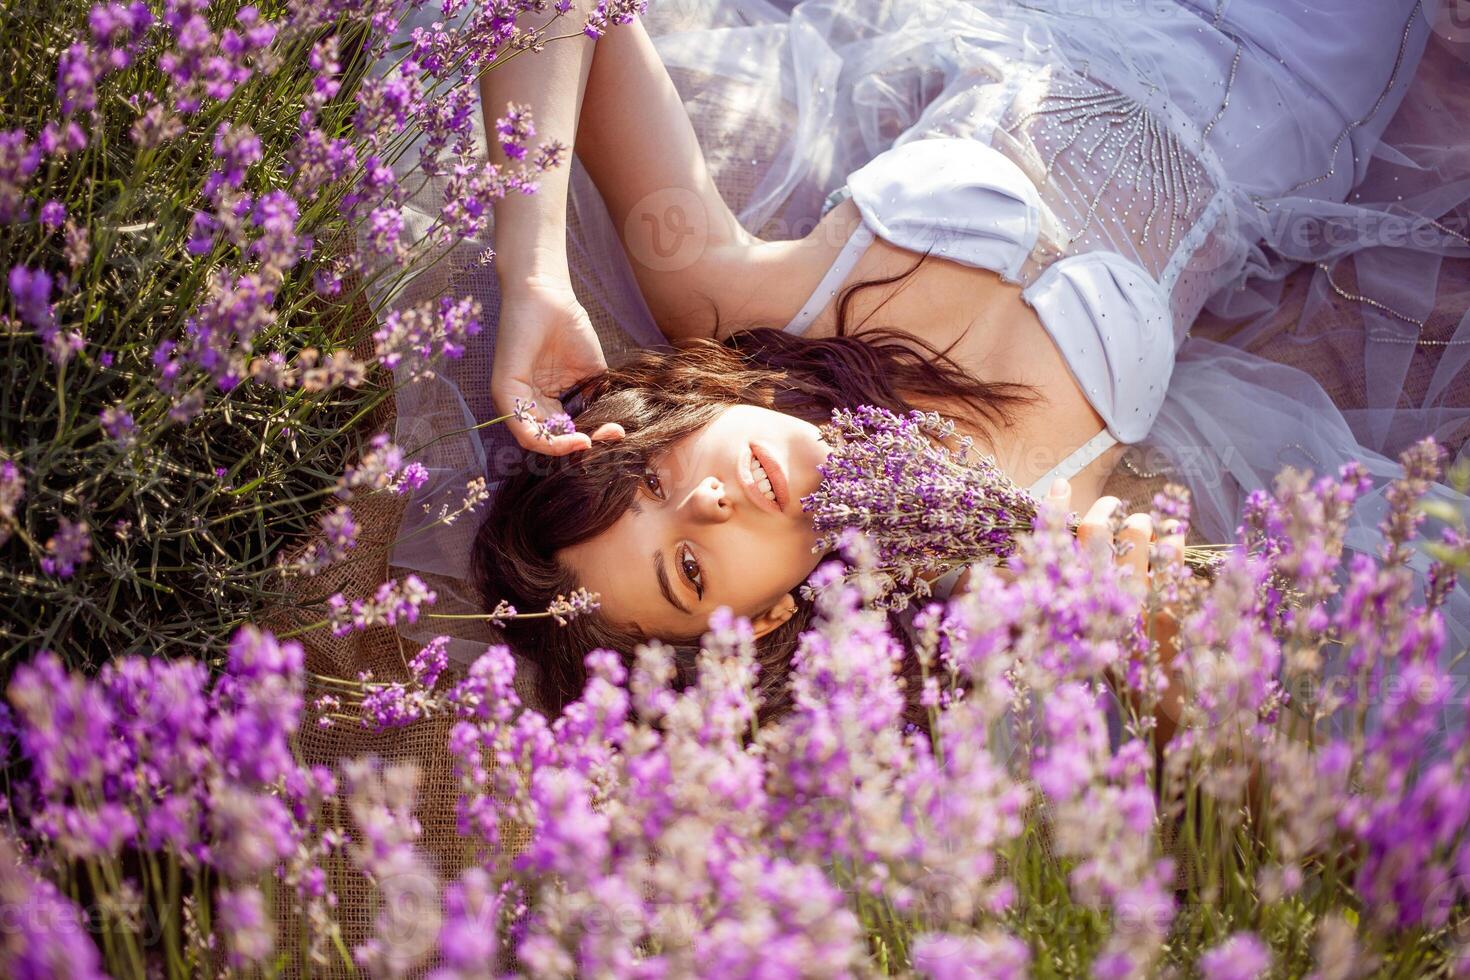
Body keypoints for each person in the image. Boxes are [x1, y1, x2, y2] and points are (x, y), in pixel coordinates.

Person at [386, 0, 1470, 718]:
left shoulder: (725, 291)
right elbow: (1311, 666)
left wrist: (533, 271)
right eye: (688, 566)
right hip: (1307, 65)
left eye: (655, 477)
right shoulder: (1013, 545)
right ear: (759, 620)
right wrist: (1152, 623)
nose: (709, 498)